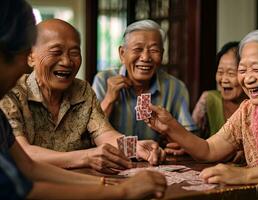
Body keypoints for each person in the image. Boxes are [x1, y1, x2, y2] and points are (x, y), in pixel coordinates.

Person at [0, 0, 167, 199]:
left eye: (74, 53)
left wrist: (136, 147)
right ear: (30, 57)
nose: (67, 62)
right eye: (56, 52)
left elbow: (105, 134)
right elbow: (26, 164)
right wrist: (91, 162)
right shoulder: (12, 93)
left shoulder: (82, 89)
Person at [146, 27, 258, 185]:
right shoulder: (247, 111)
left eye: (256, 69)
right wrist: (169, 125)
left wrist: (245, 175)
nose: (247, 79)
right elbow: (209, 150)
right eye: (242, 70)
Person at [92, 19, 198, 154]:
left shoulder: (175, 87)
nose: (145, 57)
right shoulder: (103, 80)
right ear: (122, 53)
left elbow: (189, 136)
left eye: (154, 50)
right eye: (138, 49)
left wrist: (184, 144)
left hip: (157, 161)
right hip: (113, 160)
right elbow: (92, 134)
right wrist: (109, 99)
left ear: (162, 54)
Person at [192, 41, 246, 139]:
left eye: (231, 73)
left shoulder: (256, 106)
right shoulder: (208, 99)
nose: (224, 79)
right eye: (220, 72)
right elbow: (192, 138)